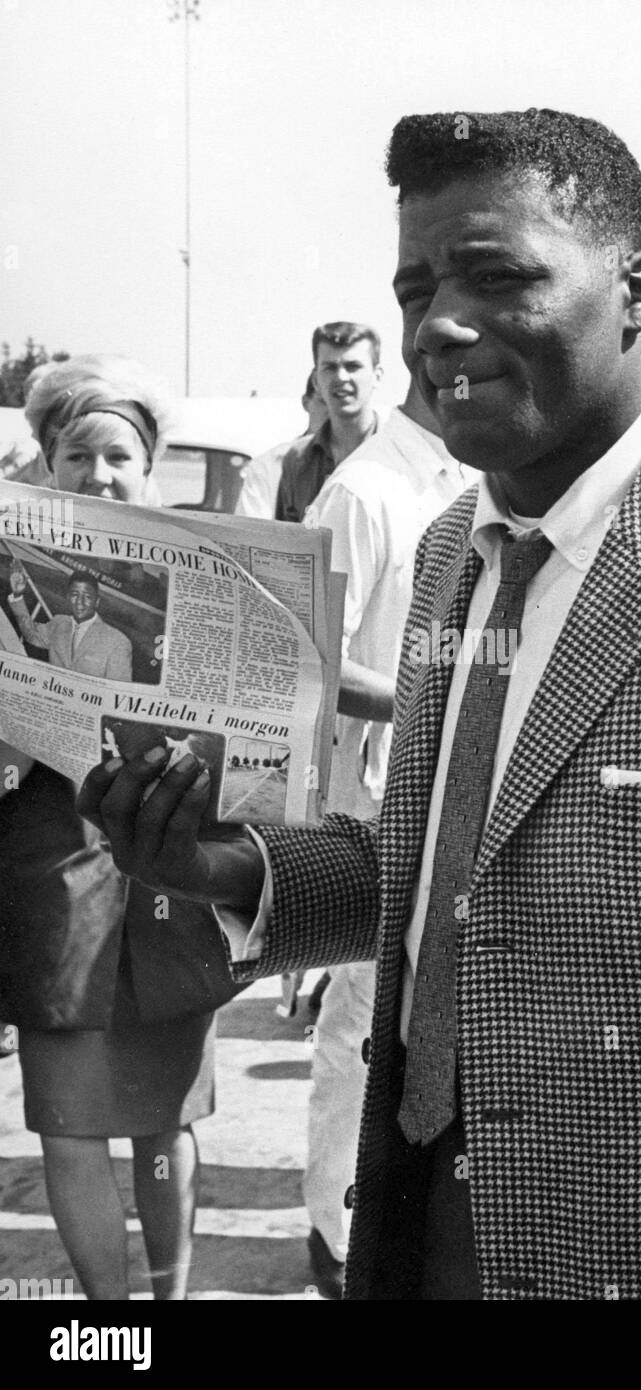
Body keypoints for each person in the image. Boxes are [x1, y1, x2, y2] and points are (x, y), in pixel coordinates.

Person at [80, 109, 641, 1301]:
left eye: (494, 275)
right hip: (422, 1225)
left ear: (636, 292)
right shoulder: (449, 555)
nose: (438, 328)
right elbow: (442, 876)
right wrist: (229, 867)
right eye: (416, 286)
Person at [0, 354, 238, 1301]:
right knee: (69, 1117)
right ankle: (110, 1326)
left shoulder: (202, 569)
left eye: (120, 458)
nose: (98, 476)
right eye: (75, 456)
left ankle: (166, 1312)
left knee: (164, 1113)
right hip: (50, 862)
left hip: (167, 868)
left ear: (151, 468)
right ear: (46, 467)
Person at [301, 378, 475, 1297]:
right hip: (375, 800)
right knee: (361, 1024)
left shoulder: (465, 477)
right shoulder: (368, 490)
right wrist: (430, 705)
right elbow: (306, 649)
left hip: (449, 789)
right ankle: (334, 1230)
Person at [236, 322, 382, 523]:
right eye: (330, 367)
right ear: (316, 381)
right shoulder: (296, 460)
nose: (341, 377)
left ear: (377, 376)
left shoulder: (396, 456)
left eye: (353, 366)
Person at [7, 569, 133, 682]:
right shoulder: (58, 623)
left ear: (97, 601)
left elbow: (115, 692)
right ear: (67, 597)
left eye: (87, 597)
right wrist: (17, 595)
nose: (80, 602)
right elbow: (31, 634)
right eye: (75, 595)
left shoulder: (118, 642)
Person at [234, 372, 329, 520]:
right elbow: (251, 537)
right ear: (306, 403)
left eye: (338, 401)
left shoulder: (363, 464)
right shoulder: (267, 467)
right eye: (323, 401)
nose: (332, 410)